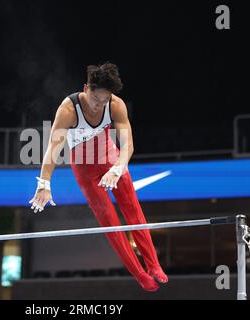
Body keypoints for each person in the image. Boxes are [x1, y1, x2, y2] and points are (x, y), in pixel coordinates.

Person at [29, 62, 168, 291]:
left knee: (133, 210)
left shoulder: (115, 105)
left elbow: (128, 144)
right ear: (86, 89)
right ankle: (139, 273)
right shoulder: (68, 109)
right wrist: (44, 183)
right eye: (96, 100)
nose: (98, 106)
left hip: (111, 158)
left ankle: (153, 265)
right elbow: (53, 148)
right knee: (110, 223)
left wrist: (117, 168)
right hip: (85, 170)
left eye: (104, 101)